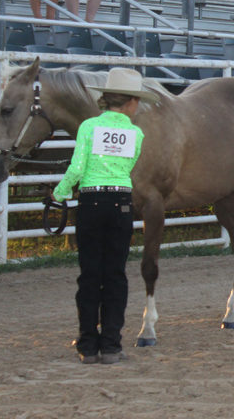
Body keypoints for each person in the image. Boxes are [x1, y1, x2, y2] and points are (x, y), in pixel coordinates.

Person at [51, 68, 154, 364]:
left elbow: (78, 168)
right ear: (131, 102)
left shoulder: (89, 127)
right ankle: (111, 344)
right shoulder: (136, 133)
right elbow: (128, 166)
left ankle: (87, 344)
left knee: (89, 274)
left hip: (91, 202)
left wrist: (59, 193)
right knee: (115, 275)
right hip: (121, 203)